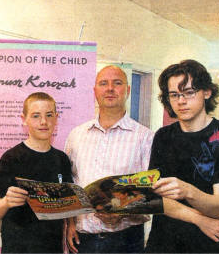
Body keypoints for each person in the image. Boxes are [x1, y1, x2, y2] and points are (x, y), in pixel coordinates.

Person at [145, 59, 219, 253]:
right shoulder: (163, 136)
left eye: (189, 93)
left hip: (205, 243)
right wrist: (200, 219)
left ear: (207, 92)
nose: (181, 101)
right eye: (174, 95)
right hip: (162, 243)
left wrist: (188, 191)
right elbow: (154, 199)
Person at [64, 65, 154, 253]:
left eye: (117, 83)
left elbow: (152, 191)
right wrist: (70, 223)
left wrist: (122, 212)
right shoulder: (76, 135)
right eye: (103, 83)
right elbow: (70, 184)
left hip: (126, 241)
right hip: (83, 240)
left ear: (127, 91)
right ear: (95, 91)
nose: (110, 88)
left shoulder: (145, 137)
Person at [0, 92, 73, 253]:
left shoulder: (62, 159)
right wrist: (6, 201)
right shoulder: (10, 159)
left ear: (56, 117)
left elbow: (69, 204)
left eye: (49, 115)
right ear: (24, 119)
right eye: (35, 116)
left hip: (52, 248)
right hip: (18, 248)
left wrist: (72, 223)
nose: (43, 122)